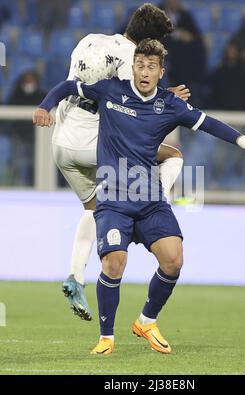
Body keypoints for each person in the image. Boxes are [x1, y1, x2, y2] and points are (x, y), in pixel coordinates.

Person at [34, 39, 245, 354]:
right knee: (113, 263)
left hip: (150, 200)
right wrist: (44, 106)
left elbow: (209, 124)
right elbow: (68, 86)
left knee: (174, 259)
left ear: (161, 72)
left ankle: (146, 321)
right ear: (132, 65)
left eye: (151, 67)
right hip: (114, 200)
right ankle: (106, 338)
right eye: (140, 65)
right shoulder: (110, 90)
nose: (144, 72)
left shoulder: (170, 105)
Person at [51, 3, 190, 321]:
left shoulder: (89, 38)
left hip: (61, 142)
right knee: (174, 156)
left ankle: (74, 275)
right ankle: (156, 202)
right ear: (147, 44)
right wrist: (167, 99)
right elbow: (136, 105)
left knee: (94, 209)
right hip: (92, 144)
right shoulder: (133, 60)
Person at [160, 0, 207, 108]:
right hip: (162, 59)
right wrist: (176, 34)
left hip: (181, 65)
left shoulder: (185, 16)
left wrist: (187, 37)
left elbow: (196, 38)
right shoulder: (157, 13)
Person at [209, 42, 245, 111]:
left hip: (240, 108)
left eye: (233, 51)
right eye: (229, 51)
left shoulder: (244, 72)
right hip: (222, 108)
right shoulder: (220, 72)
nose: (231, 53)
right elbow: (216, 91)